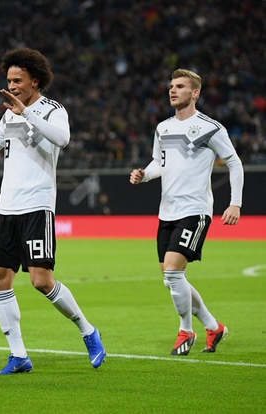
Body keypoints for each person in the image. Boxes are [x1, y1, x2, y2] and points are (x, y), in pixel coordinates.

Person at [0, 48, 106, 374]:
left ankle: (88, 331)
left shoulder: (53, 110)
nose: (12, 85)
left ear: (35, 80)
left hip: (36, 206)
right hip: (6, 207)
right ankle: (18, 355)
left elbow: (62, 139)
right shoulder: (9, 115)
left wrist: (27, 113)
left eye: (18, 80)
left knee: (41, 281)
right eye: (9, 80)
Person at [130, 68, 244, 356]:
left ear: (195, 93)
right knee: (171, 277)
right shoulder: (163, 128)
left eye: (180, 86)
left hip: (195, 210)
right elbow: (159, 162)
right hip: (167, 212)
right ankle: (213, 326)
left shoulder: (210, 127)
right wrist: (144, 175)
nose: (173, 90)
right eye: (171, 85)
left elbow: (234, 163)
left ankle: (186, 331)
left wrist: (235, 203)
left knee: (173, 272)